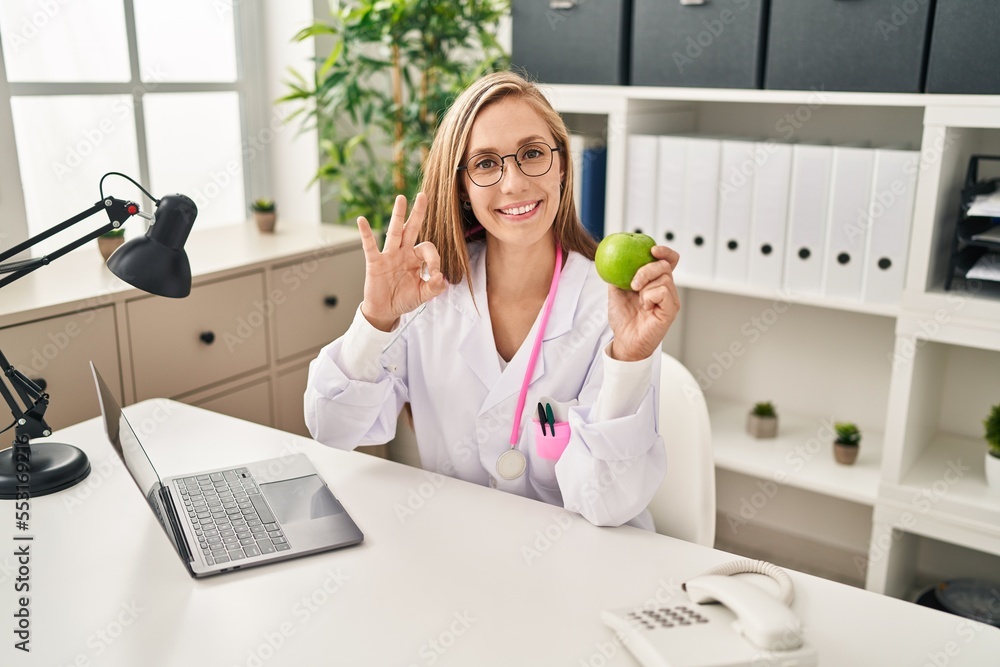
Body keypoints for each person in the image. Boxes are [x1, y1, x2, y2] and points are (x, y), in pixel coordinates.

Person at [305, 71, 680, 530]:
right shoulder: (427, 294)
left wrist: (630, 357)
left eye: (533, 154)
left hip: (584, 564)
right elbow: (333, 429)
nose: (515, 183)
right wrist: (375, 320)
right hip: (464, 554)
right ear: (461, 185)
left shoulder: (616, 308)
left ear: (562, 164)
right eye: (485, 163)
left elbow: (608, 503)